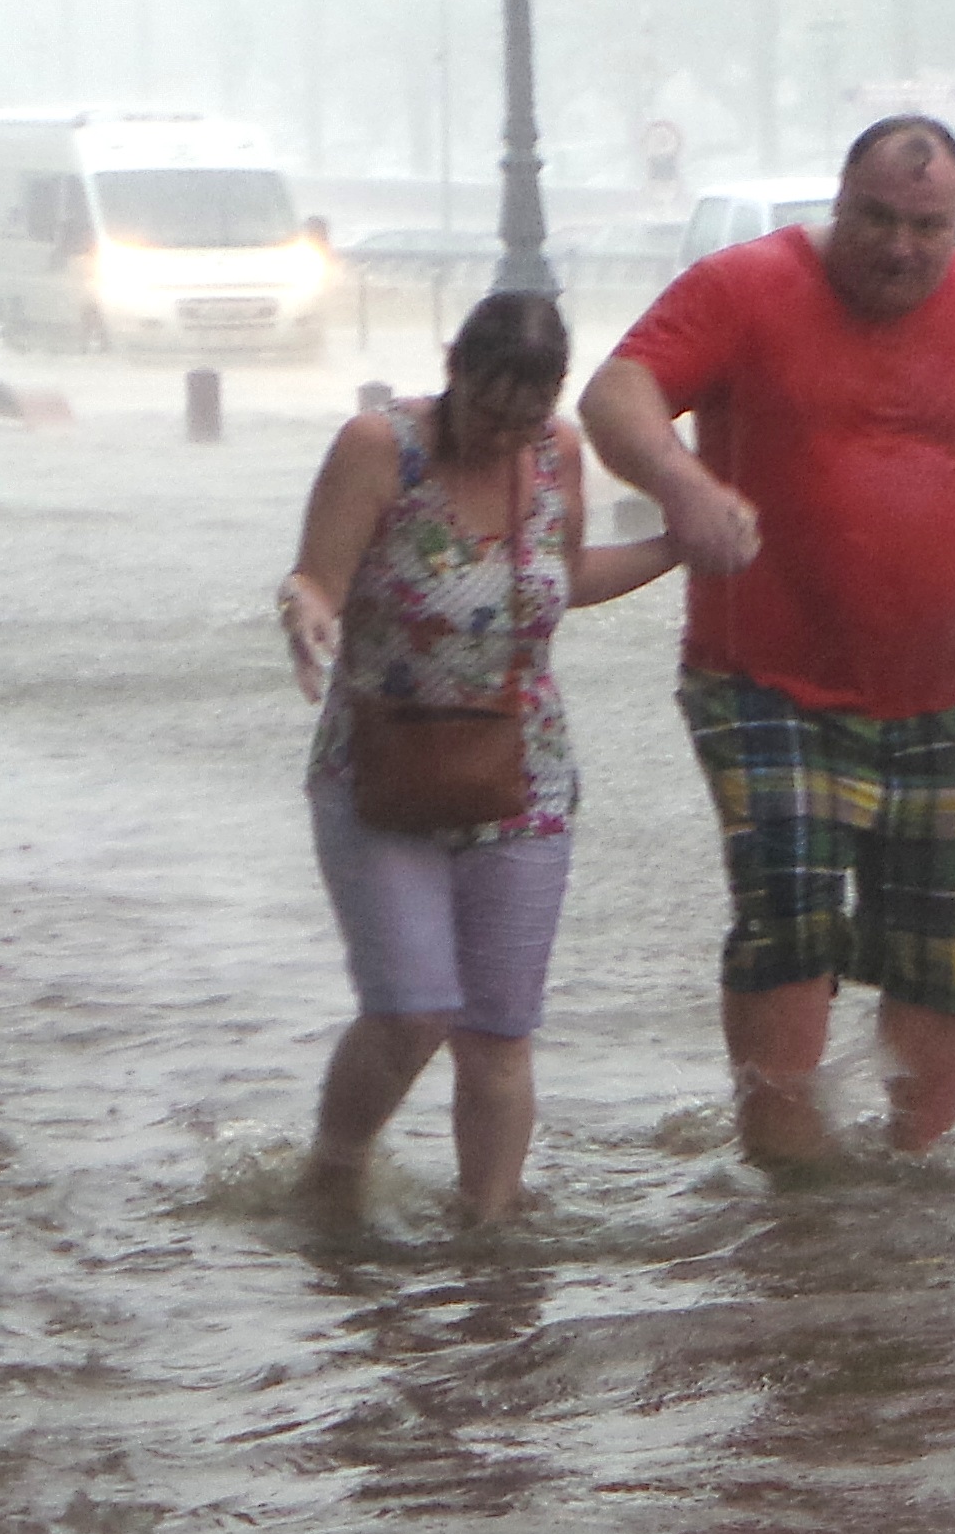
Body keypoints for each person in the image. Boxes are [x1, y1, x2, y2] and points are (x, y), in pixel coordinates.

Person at [574, 115, 955, 1172]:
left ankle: (918, 1175)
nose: (899, 246)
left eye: (926, 226)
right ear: (837, 200)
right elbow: (614, 393)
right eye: (875, 218)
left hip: (944, 686)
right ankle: (789, 1187)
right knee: (792, 922)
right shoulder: (744, 286)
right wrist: (683, 483)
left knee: (946, 958)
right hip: (765, 681)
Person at [278, 291, 681, 1228]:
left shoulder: (557, 455)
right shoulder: (380, 449)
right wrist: (304, 610)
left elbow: (566, 578)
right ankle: (334, 1173)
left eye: (526, 418)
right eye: (487, 412)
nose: (504, 437)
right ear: (451, 368)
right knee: (414, 1011)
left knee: (499, 1035)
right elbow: (317, 577)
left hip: (523, 775)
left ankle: (487, 1236)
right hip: (383, 770)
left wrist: (676, 547)